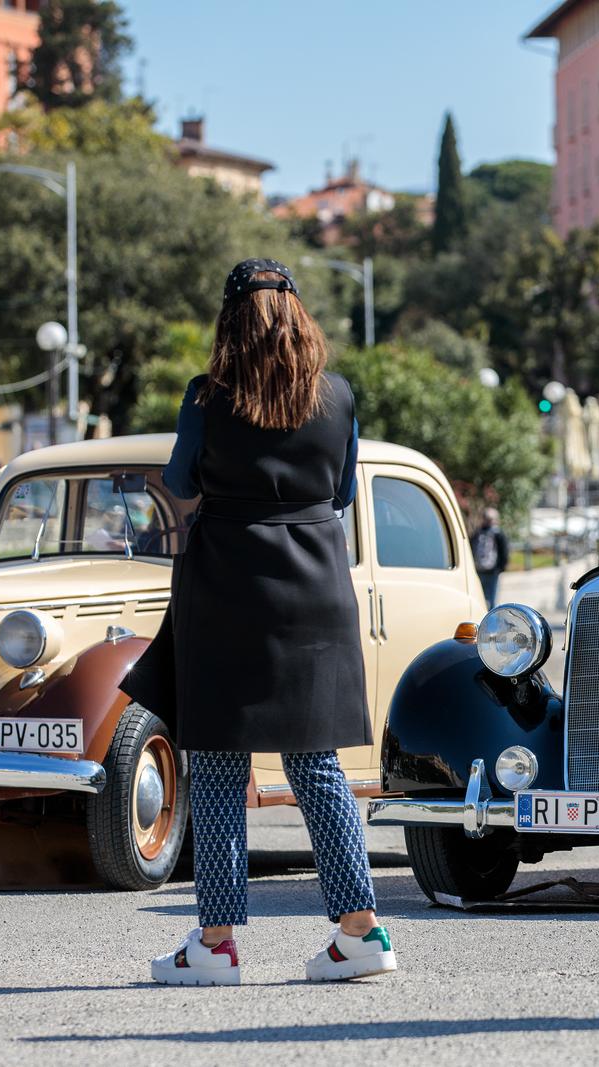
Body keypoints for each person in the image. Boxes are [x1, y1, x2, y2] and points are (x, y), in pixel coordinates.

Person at [123, 258, 394, 986]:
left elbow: (180, 482)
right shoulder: (337, 397)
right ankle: (361, 931)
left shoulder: (208, 398)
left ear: (230, 322)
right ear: (300, 317)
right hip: (315, 587)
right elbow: (340, 490)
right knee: (316, 763)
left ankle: (216, 943)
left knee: (215, 763)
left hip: (228, 587)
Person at [471, 506, 509, 606]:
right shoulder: (495, 533)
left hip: (486, 570)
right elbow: (504, 551)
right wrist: (501, 567)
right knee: (487, 598)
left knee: (486, 598)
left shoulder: (479, 533)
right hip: (487, 570)